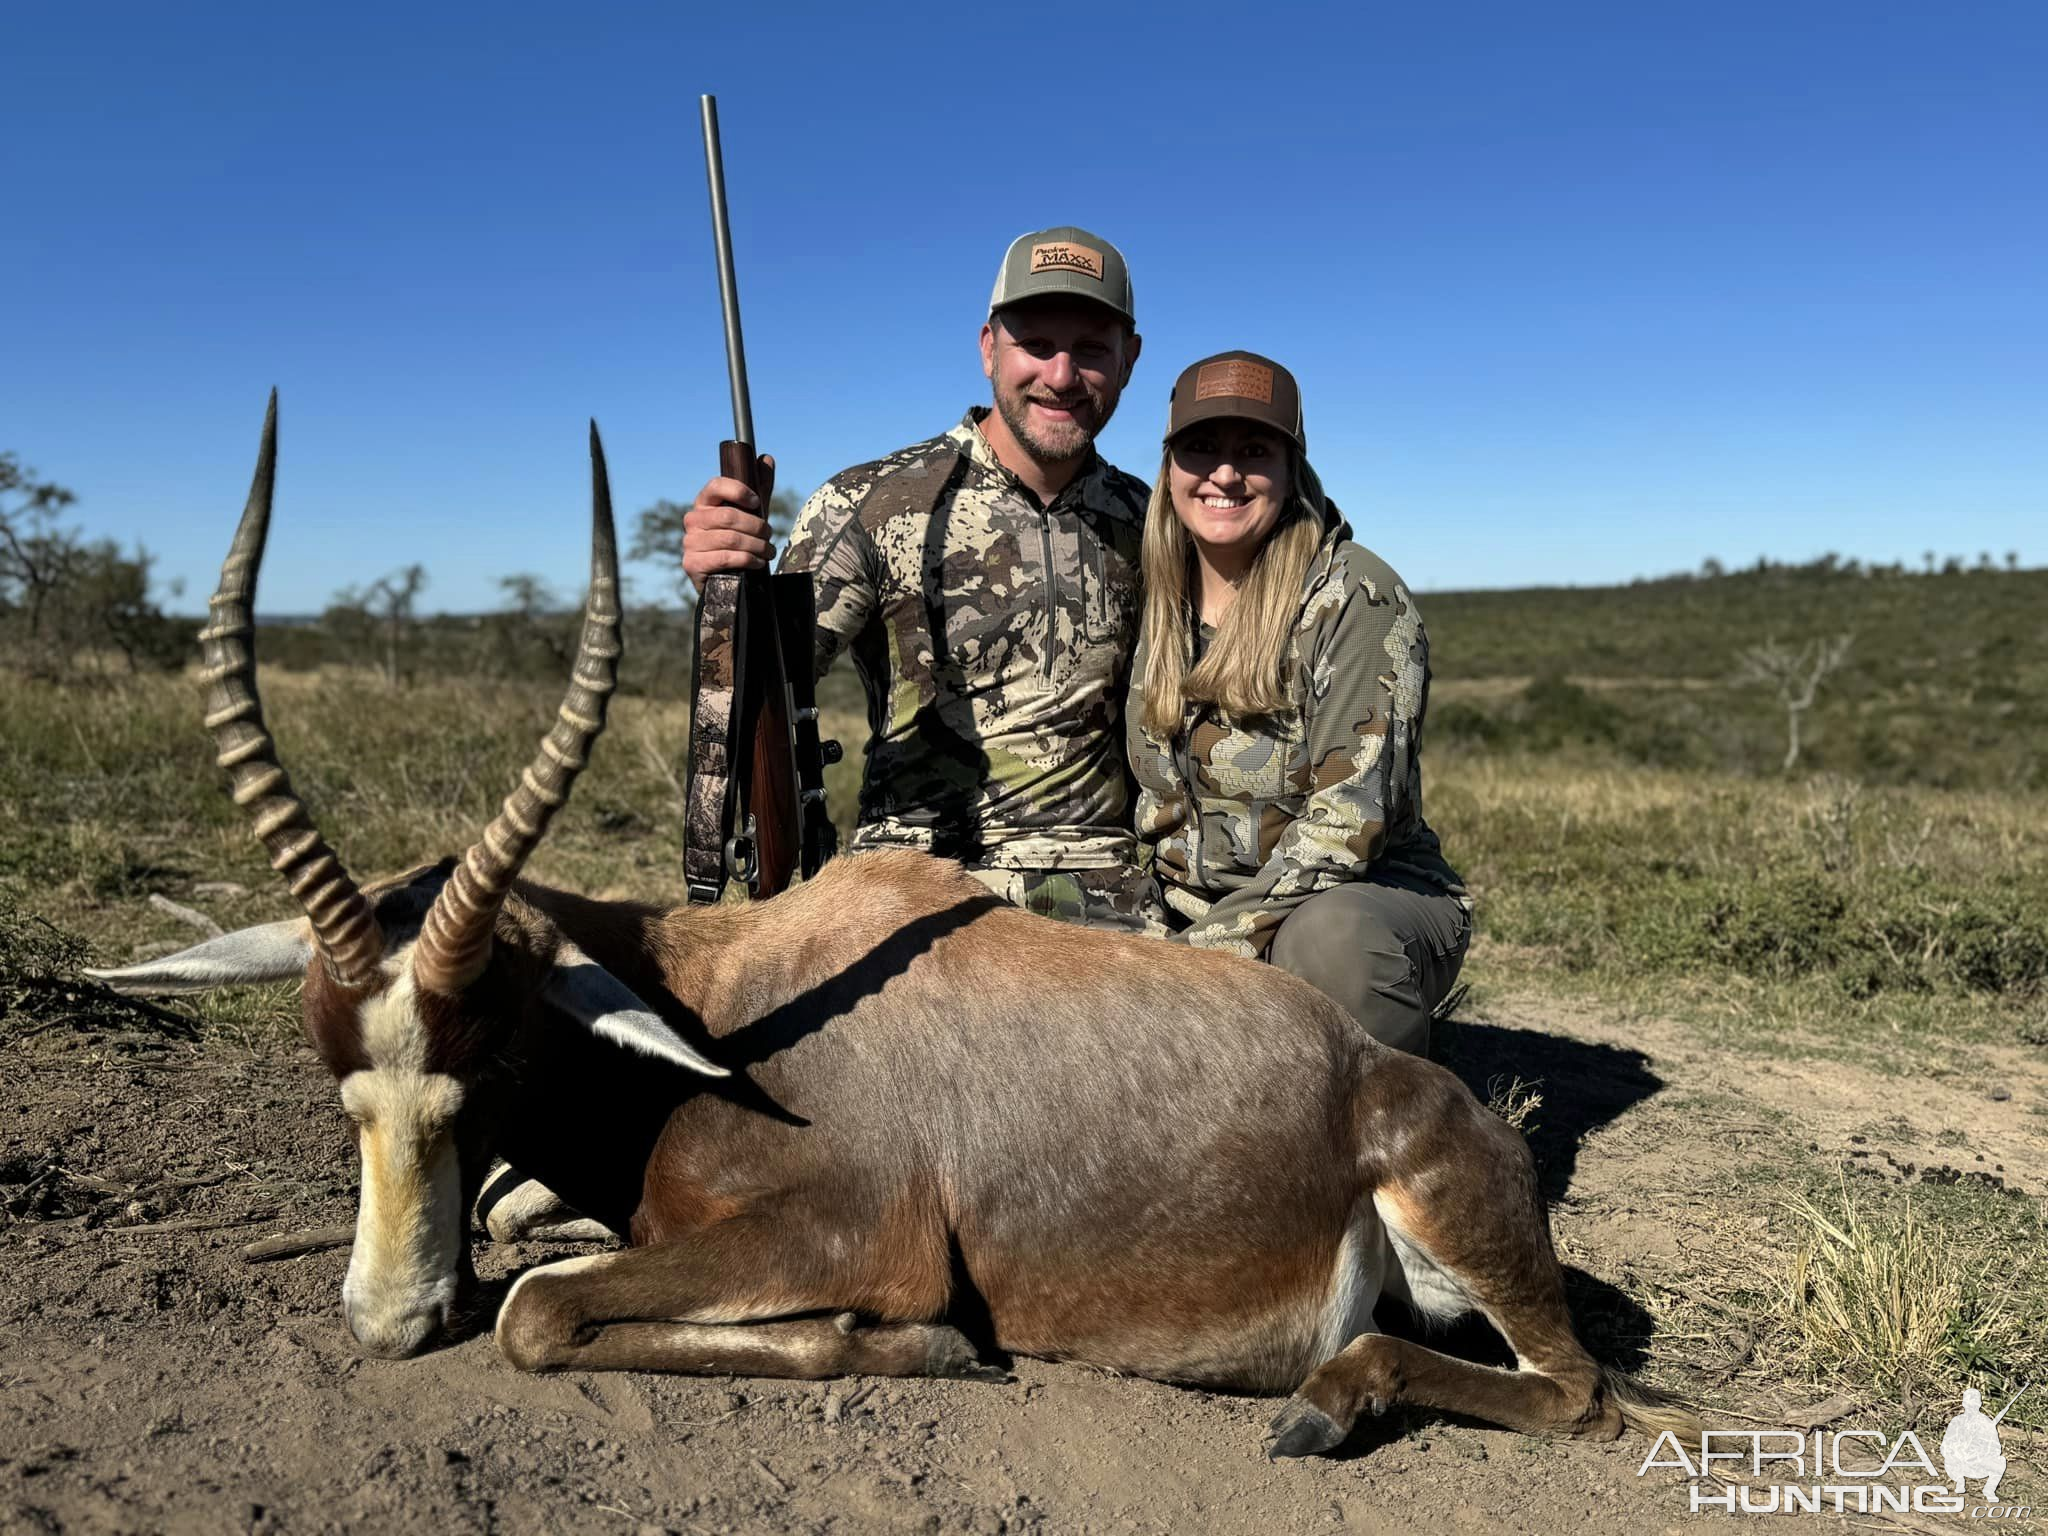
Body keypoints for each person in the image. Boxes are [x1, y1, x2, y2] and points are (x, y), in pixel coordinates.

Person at [682, 226, 1160, 930]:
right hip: (915, 884)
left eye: (1090, 349)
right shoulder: (870, 502)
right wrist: (724, 595)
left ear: (1129, 360)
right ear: (988, 347)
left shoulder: (1155, 522)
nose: (1061, 376)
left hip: (1108, 892)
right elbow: (768, 687)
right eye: (1035, 345)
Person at [1125, 351, 1469, 1054]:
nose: (1224, 473)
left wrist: (1185, 970)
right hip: (1189, 913)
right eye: (1200, 449)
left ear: (1291, 469)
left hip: (1340, 900)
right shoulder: (1146, 595)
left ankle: (1390, 1137)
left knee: (1333, 944)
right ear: (1169, 469)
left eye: (1255, 451)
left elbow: (1346, 833)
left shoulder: (1357, 597)